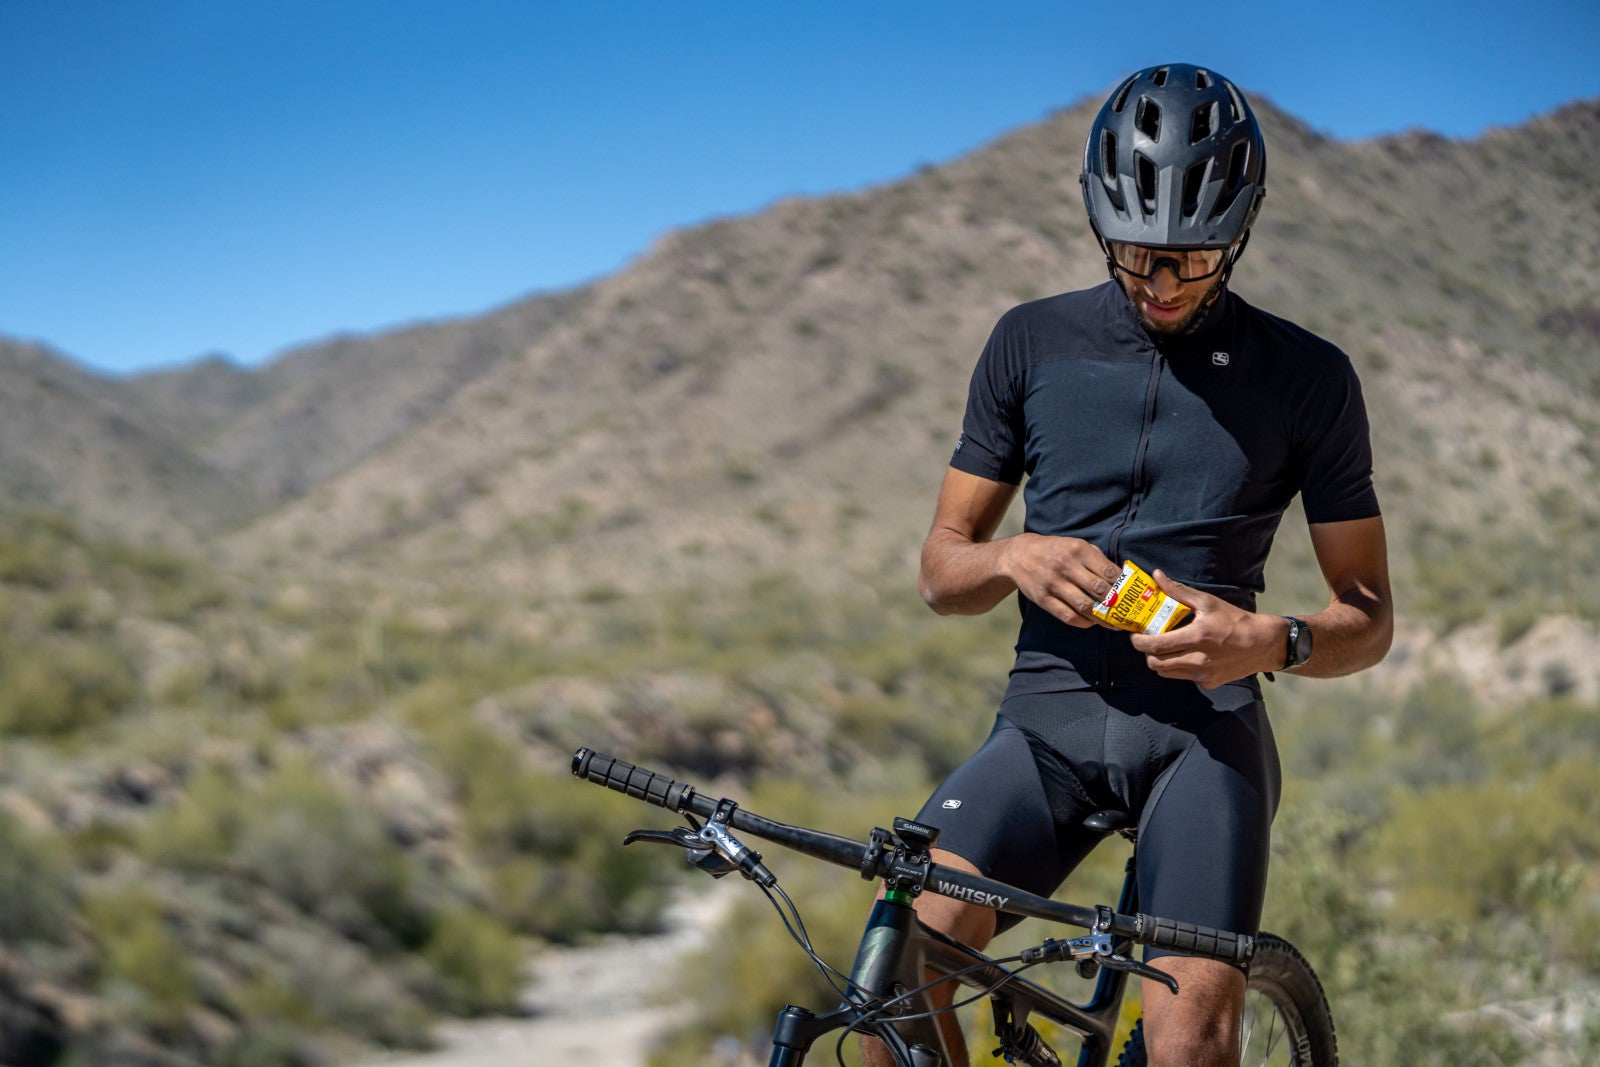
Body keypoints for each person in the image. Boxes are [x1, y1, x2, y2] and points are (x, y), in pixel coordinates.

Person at [867, 63, 1393, 1067]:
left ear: (1239, 232)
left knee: (1187, 1038)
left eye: (1189, 260)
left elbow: (1367, 615)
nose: (1157, 283)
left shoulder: (1308, 377)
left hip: (1205, 741)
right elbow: (941, 571)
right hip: (1044, 722)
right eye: (1134, 253)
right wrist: (1012, 554)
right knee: (902, 956)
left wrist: (1263, 638)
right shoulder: (1028, 343)